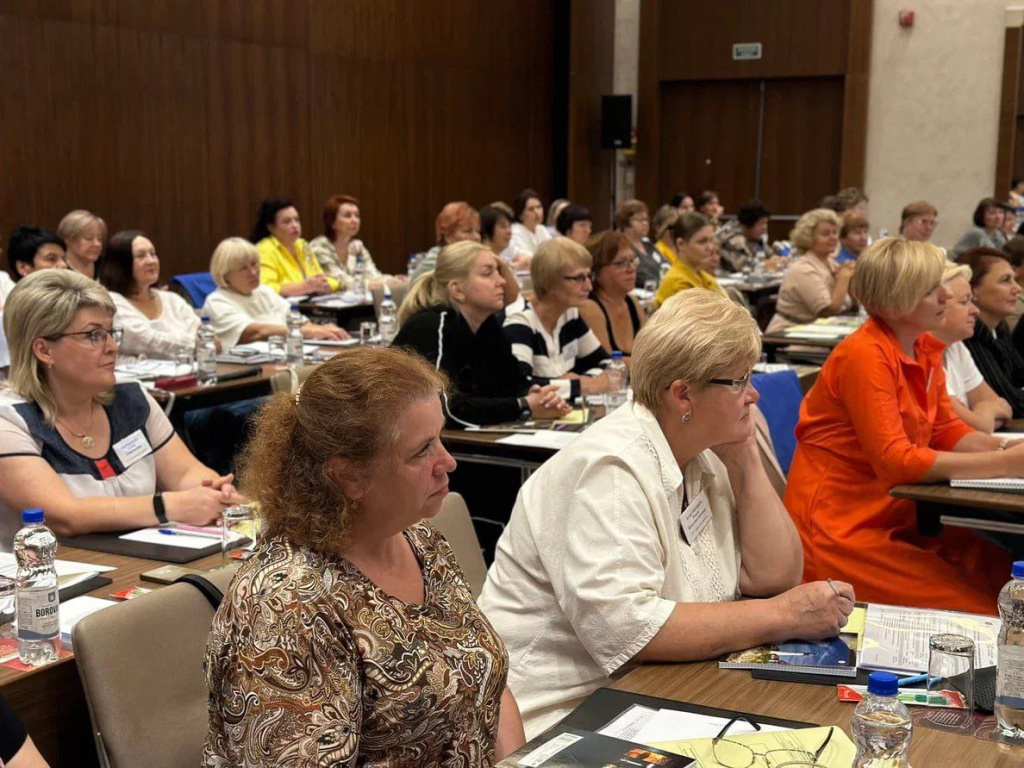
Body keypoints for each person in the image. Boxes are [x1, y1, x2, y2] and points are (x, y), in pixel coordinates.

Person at [480, 289, 854, 737]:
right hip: (562, 716)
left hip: (667, 689)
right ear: (683, 396)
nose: (753, 394)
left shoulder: (698, 452)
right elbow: (628, 629)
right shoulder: (611, 469)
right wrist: (783, 615)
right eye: (738, 382)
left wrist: (745, 458)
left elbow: (774, 576)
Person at [203, 348, 526, 765]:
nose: (448, 462)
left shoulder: (421, 541)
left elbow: (486, 681)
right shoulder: (286, 605)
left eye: (440, 438)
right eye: (422, 451)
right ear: (350, 476)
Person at [786, 237, 1020, 615]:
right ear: (898, 301)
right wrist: (1005, 465)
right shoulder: (864, 355)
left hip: (895, 517)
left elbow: (946, 430)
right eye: (932, 289)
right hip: (841, 533)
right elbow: (895, 460)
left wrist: (1005, 450)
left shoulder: (924, 347)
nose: (945, 295)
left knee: (1004, 581)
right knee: (982, 610)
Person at [0, 270, 243, 547]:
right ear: (44, 350)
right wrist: (168, 507)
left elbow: (186, 474)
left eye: (111, 332)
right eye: (94, 335)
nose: (113, 347)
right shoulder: (8, 419)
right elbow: (66, 516)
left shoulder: (130, 399)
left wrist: (214, 493)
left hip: (142, 564)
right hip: (47, 582)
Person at [394, 241, 569, 427]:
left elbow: (511, 382)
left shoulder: (486, 324)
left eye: (498, 272)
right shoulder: (433, 326)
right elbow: (443, 408)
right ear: (458, 290)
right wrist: (523, 405)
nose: (501, 281)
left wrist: (535, 396)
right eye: (488, 273)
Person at [503, 238, 609, 403]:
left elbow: (607, 364)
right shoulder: (520, 321)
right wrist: (579, 385)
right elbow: (521, 386)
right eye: (578, 278)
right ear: (548, 283)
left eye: (589, 276)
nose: (589, 286)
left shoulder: (570, 314)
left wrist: (583, 381)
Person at [203, 238, 348, 350]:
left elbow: (297, 320)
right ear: (225, 275)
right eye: (243, 268)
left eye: (254, 264)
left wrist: (324, 331)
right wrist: (310, 332)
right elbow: (256, 332)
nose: (253, 272)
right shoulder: (217, 302)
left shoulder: (264, 291)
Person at [98, 231, 202, 360]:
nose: (151, 261)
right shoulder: (111, 302)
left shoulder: (172, 299)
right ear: (121, 264)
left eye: (153, 254)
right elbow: (147, 341)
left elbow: (200, 331)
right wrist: (195, 343)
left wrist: (201, 341)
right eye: (141, 256)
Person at [934, 264, 1012, 433]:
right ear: (936, 305)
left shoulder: (956, 346)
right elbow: (975, 427)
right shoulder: (920, 353)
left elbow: (1004, 410)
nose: (975, 311)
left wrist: (983, 415)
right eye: (964, 302)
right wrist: (986, 411)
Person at [956, 248, 1024, 417]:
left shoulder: (999, 329)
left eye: (1014, 280)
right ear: (973, 291)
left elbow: (1020, 376)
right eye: (1005, 280)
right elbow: (1012, 403)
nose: (1017, 289)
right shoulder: (968, 337)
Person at [766, 209, 854, 333]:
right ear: (808, 238)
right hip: (789, 336)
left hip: (817, 331)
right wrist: (843, 280)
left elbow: (849, 305)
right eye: (825, 234)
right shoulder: (803, 269)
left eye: (835, 232)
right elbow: (829, 311)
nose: (833, 237)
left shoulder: (832, 264)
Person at [307, 194, 404, 292]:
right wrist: (385, 284)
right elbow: (341, 283)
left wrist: (394, 280)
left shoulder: (357, 246)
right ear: (332, 222)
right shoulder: (319, 247)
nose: (354, 220)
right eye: (347, 216)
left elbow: (373, 275)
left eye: (357, 216)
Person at [579, 231, 647, 359]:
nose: (631, 269)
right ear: (596, 272)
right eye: (621, 263)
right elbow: (608, 364)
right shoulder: (590, 307)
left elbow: (650, 353)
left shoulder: (632, 302)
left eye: (632, 261)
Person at [251, 197, 338, 297]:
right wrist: (305, 287)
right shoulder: (264, 250)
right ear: (271, 228)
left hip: (313, 303)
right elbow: (265, 288)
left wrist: (328, 284)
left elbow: (322, 278)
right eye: (287, 222)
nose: (295, 225)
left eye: (296, 220)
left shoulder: (302, 245)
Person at [653, 213, 721, 308]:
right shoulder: (677, 283)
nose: (710, 247)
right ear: (681, 244)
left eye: (711, 240)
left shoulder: (704, 277)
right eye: (702, 242)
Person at [410, 201, 482, 282]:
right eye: (467, 231)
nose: (477, 237)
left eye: (478, 231)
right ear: (448, 236)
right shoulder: (434, 265)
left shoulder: (475, 260)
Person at [615, 199, 659, 288]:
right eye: (640, 220)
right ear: (626, 222)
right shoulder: (620, 247)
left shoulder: (648, 245)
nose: (645, 223)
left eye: (646, 219)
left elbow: (665, 266)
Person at [716, 199, 770, 272]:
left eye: (766, 223)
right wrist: (768, 264)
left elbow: (769, 255)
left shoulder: (755, 237)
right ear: (747, 225)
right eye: (761, 224)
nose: (764, 227)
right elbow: (744, 266)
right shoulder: (731, 239)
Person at [56, 209, 106, 279]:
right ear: (68, 240)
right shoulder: (58, 270)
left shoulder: (105, 266)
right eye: (89, 238)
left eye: (100, 239)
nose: (97, 244)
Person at [508, 189, 552, 263]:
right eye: (531, 209)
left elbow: (552, 252)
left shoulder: (541, 229)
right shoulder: (515, 231)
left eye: (539, 207)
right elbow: (525, 258)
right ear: (521, 215)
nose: (537, 212)